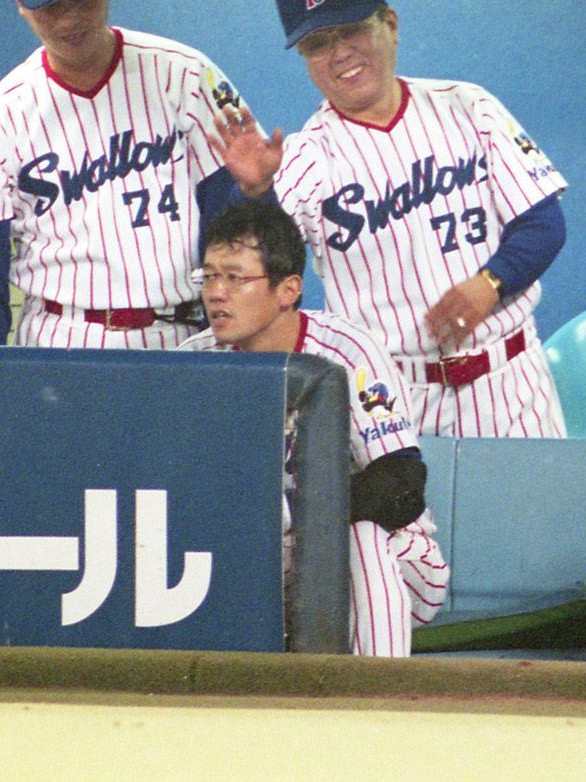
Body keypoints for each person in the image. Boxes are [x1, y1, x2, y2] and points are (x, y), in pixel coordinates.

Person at [214, 0, 568, 438]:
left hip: (510, 382)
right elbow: (263, 265)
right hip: (388, 399)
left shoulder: (468, 106)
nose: (340, 53)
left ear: (391, 24)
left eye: (352, 30)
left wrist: (491, 283)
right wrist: (258, 194)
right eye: (318, 44)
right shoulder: (304, 157)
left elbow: (543, 223)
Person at [0, 0, 248, 349]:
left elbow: (237, 223)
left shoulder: (185, 76)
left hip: (185, 333)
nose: (69, 19)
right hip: (61, 338)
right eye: (51, 4)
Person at [178, 202, 450, 656]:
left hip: (397, 565)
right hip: (267, 567)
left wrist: (288, 516)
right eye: (208, 277)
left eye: (235, 278)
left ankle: (379, 690)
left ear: (288, 289)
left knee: (363, 533)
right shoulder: (194, 361)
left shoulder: (347, 350)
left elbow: (401, 485)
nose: (216, 293)